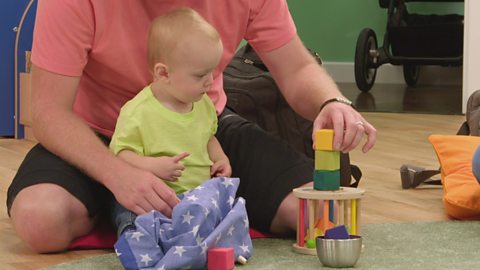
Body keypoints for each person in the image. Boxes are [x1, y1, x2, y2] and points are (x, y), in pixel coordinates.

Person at [6, 0, 376, 253]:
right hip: (97, 132)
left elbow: (295, 68)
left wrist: (333, 102)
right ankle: (124, 210)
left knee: (321, 216)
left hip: (201, 129)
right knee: (40, 219)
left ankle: (152, 213)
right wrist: (116, 174)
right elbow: (49, 112)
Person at [109, 8, 231, 236]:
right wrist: (155, 167)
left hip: (195, 197)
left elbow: (208, 136)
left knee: (225, 203)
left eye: (212, 71)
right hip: (152, 197)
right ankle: (136, 240)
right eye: (200, 75)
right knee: (131, 211)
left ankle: (199, 239)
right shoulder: (139, 111)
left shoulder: (202, 103)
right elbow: (122, 155)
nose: (210, 81)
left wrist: (219, 158)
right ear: (164, 73)